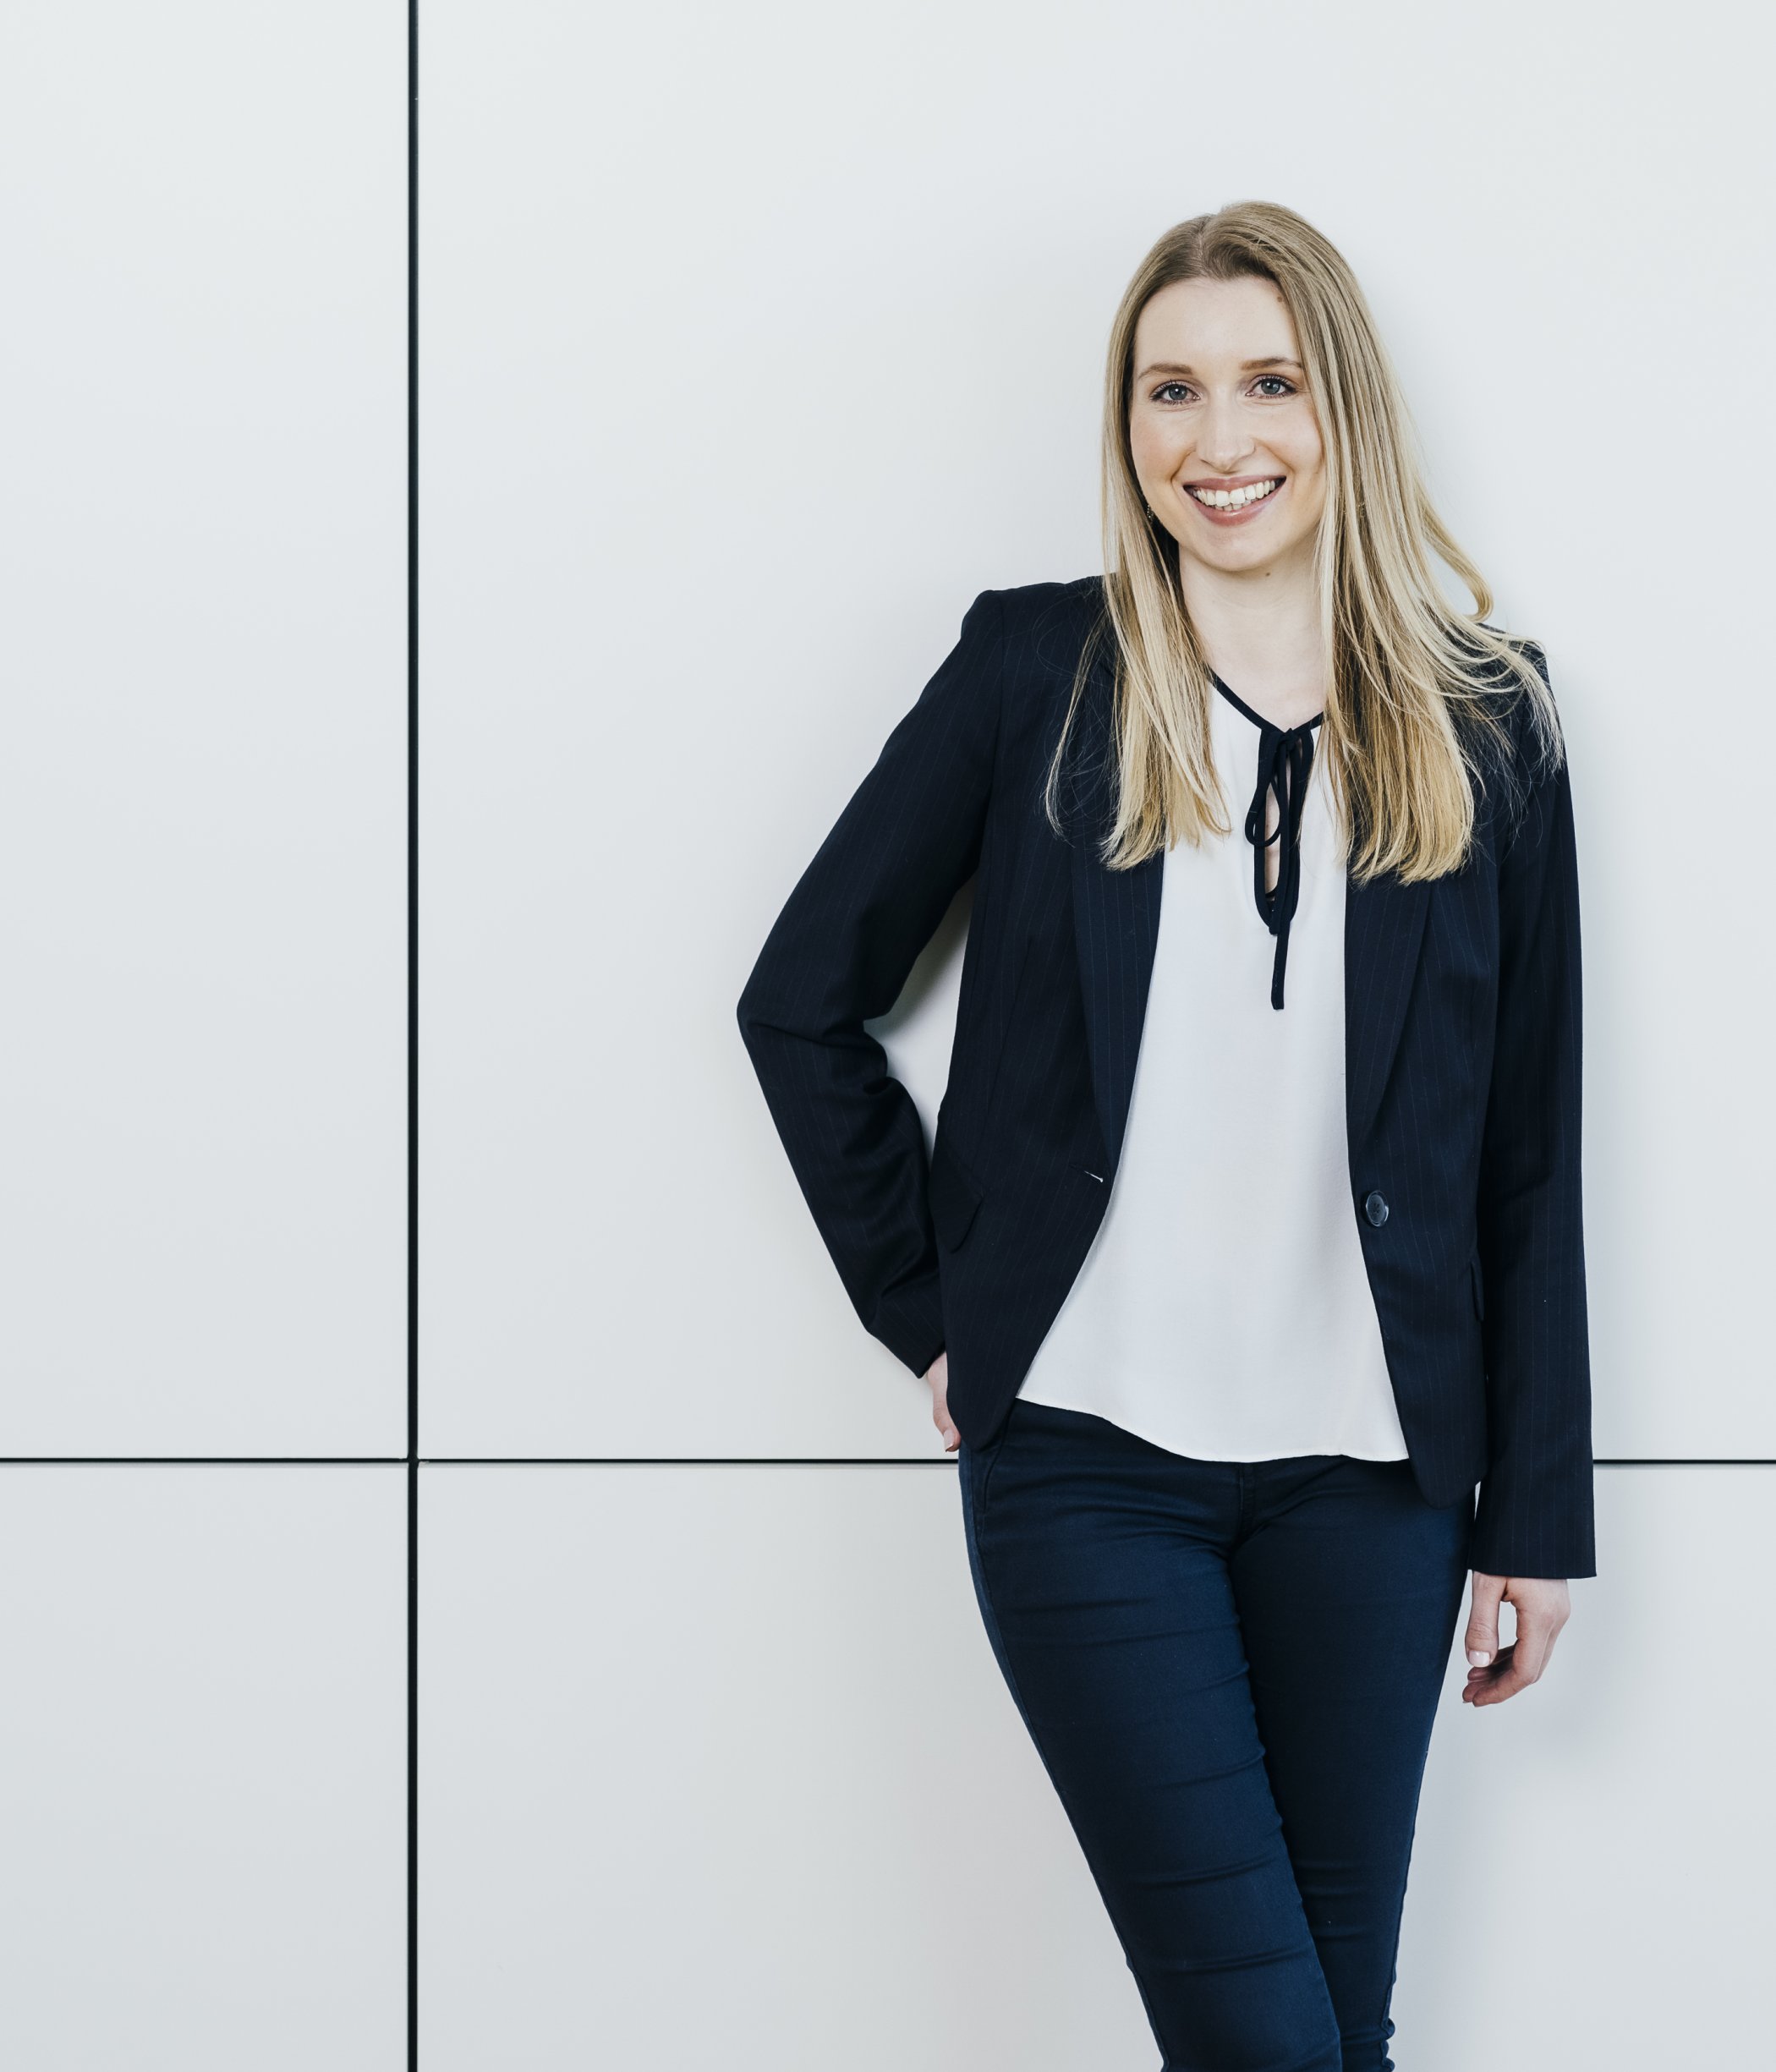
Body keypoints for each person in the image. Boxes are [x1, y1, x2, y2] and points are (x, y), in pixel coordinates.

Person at [736, 200, 1592, 2071]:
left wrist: (1532, 1510)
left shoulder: (1488, 724)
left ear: (1341, 408)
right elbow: (799, 1000)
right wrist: (939, 1311)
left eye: (1270, 383)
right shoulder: (1034, 675)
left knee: (1331, 2028)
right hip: (1089, 1469)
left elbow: (1527, 1153)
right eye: (1172, 390)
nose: (1223, 441)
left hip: (1376, 1485)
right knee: (1267, 2039)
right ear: (1125, 426)